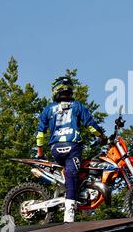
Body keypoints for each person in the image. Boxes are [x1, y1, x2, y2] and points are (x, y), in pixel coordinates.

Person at [36, 76, 107, 222]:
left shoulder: (48, 109)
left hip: (55, 148)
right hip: (72, 147)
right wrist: (102, 137)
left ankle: (66, 194)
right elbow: (91, 126)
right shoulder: (77, 106)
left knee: (70, 174)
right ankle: (69, 215)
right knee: (72, 176)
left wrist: (40, 153)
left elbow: (40, 133)